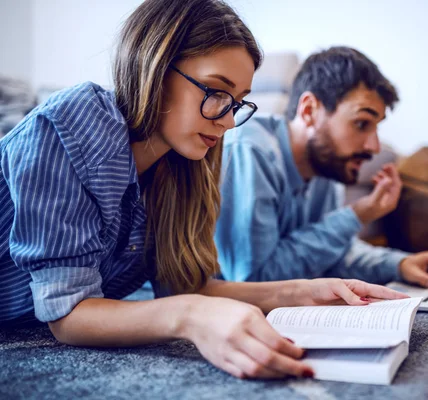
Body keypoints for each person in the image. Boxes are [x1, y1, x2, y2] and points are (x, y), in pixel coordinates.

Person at [0, 0, 407, 380]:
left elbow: (185, 286)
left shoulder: (184, 162)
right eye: (216, 92)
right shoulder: (74, 122)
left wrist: (307, 292)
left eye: (238, 102)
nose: (228, 122)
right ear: (155, 66)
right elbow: (68, 315)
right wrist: (191, 316)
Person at [216, 46, 428, 290]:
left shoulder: (326, 166)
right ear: (309, 110)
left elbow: (329, 254)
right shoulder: (250, 150)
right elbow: (253, 280)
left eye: (377, 128)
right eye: (362, 124)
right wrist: (356, 215)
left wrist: (398, 264)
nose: (374, 147)